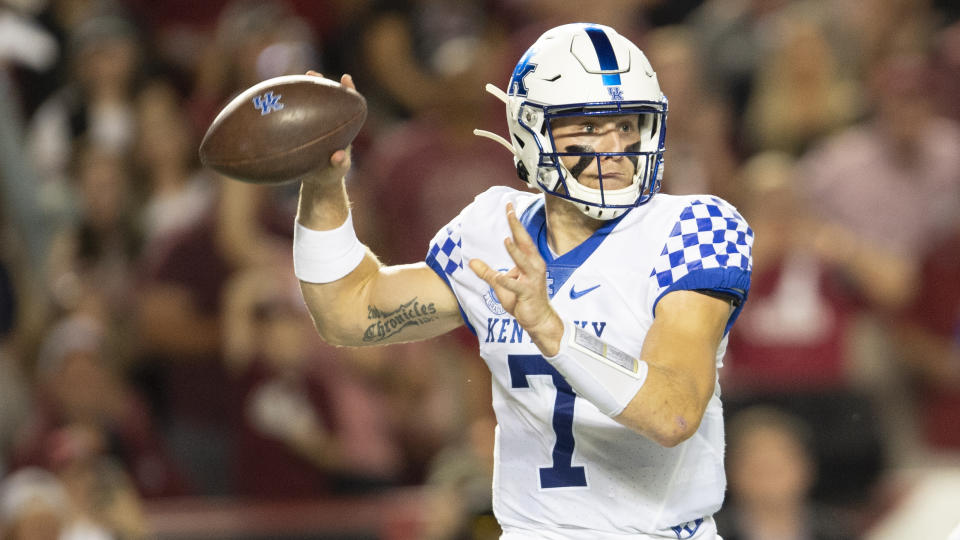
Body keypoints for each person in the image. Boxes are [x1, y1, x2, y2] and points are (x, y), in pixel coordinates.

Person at [291, 23, 753, 539]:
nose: (617, 146)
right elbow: (346, 312)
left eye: (628, 125)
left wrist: (553, 330)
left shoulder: (694, 227)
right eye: (590, 127)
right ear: (531, 131)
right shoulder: (494, 229)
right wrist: (323, 184)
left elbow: (674, 413)